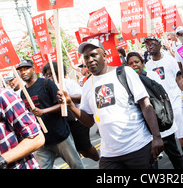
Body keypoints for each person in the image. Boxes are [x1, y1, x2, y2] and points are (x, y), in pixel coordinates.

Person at [58, 39, 164, 169]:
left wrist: (157, 137)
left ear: (104, 55)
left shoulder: (125, 72)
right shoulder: (86, 86)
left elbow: (146, 105)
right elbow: (89, 122)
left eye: (93, 55)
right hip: (110, 155)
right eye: (86, 57)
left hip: (138, 146)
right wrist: (71, 106)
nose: (90, 60)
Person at [126, 51, 183, 169]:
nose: (134, 65)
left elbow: (161, 96)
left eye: (136, 62)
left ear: (142, 63)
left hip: (162, 124)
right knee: (151, 161)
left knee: (174, 155)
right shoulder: (127, 83)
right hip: (144, 130)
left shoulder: (152, 75)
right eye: (130, 63)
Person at [17, 59, 84, 169]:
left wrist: (43, 111)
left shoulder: (46, 83)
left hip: (60, 135)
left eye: (26, 69)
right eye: (20, 70)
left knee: (76, 165)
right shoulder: (23, 92)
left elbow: (62, 104)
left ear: (33, 70)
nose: (23, 72)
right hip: (42, 141)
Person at [144, 36, 183, 164]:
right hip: (160, 102)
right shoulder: (147, 65)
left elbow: (179, 78)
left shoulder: (170, 60)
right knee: (167, 127)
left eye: (152, 44)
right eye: (147, 45)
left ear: (160, 45)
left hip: (173, 97)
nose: (150, 47)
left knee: (178, 119)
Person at [42, 61, 99, 162]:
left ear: (57, 72)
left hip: (77, 120)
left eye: (50, 74)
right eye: (45, 74)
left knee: (86, 149)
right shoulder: (47, 88)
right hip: (63, 123)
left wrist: (67, 97)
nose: (48, 77)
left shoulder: (67, 83)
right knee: (78, 151)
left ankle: (101, 160)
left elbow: (82, 97)